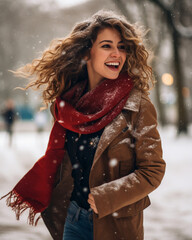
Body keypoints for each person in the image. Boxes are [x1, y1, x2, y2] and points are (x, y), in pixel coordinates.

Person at [1, 10, 166, 240]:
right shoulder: (69, 104)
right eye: (107, 46)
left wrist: (107, 196)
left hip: (116, 225)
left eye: (122, 47)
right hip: (73, 219)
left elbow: (153, 171)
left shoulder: (137, 106)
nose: (117, 54)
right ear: (87, 53)